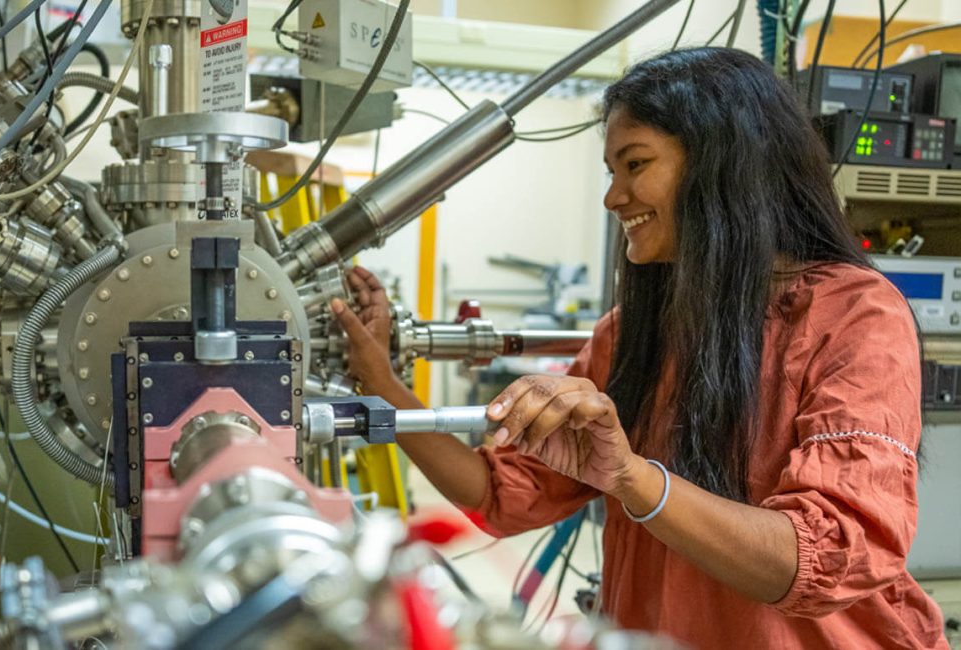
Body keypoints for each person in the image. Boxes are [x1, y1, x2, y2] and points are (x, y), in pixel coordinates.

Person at [329, 47, 949, 649]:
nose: (613, 197)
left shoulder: (854, 317)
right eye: (611, 170)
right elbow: (504, 493)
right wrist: (381, 381)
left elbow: (824, 557)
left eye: (635, 164)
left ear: (721, 164)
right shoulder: (631, 333)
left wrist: (631, 478)